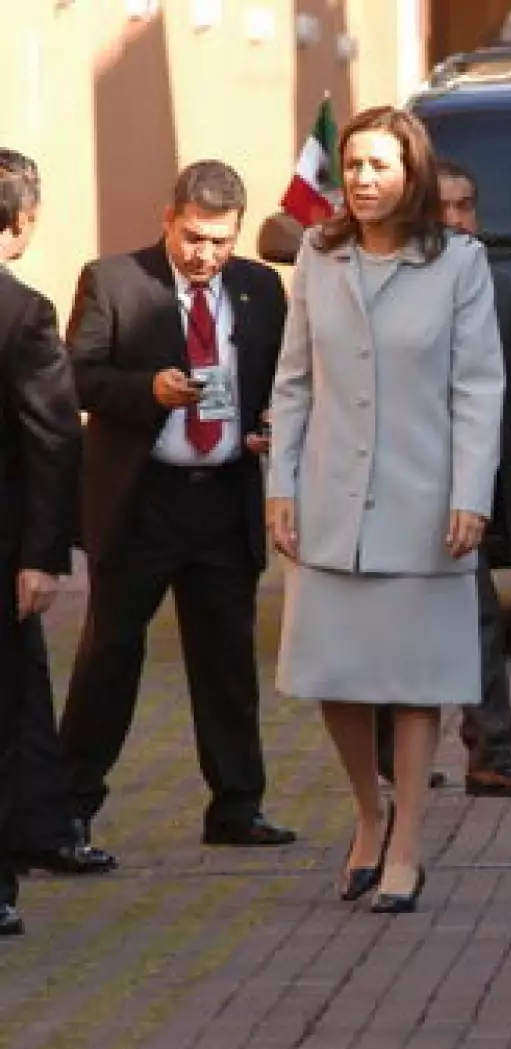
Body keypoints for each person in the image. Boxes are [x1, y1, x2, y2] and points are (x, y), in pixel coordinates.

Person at [267, 106, 504, 914]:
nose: (364, 180)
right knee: (335, 675)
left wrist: (473, 492)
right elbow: (293, 381)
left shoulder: (459, 263)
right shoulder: (317, 255)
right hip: (330, 499)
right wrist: (282, 486)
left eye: (380, 166)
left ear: (413, 175)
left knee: (412, 684)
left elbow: (479, 386)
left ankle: (407, 846)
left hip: (425, 499)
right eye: (355, 165)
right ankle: (371, 813)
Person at [60, 160, 295, 852]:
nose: (205, 255)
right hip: (143, 501)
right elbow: (77, 375)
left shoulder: (258, 288)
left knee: (226, 660)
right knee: (111, 655)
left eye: (221, 241)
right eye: (194, 237)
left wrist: (266, 426)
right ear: (169, 219)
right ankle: (69, 807)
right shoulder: (114, 281)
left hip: (223, 498)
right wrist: (147, 391)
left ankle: (238, 805)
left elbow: (283, 378)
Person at [374, 158, 511, 797]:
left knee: (477, 618)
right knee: (402, 625)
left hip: (471, 494)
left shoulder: (506, 290)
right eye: (442, 208)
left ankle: (492, 754)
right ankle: (394, 754)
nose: (456, 220)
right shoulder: (388, 286)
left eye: (466, 207)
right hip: (399, 487)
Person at [0, 150, 118, 884]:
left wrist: (42, 555)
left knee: (11, 703)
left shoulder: (22, 314)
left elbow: (53, 438)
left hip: (7, 550)